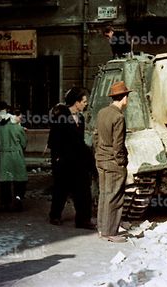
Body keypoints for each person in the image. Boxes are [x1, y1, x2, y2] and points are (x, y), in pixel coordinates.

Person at [47, 87, 95, 229]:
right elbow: (54, 140)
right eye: (84, 101)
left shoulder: (80, 118)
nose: (86, 104)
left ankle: (83, 220)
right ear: (76, 102)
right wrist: (57, 159)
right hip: (64, 161)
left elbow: (80, 141)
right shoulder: (61, 117)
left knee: (83, 191)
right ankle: (54, 216)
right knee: (61, 190)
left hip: (78, 161)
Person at [95, 81, 132, 243]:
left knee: (104, 194)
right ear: (124, 98)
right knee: (115, 197)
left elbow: (96, 137)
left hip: (101, 158)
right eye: (127, 97)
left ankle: (102, 228)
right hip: (113, 162)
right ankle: (111, 232)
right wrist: (121, 162)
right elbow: (118, 145)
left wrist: (99, 153)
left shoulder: (102, 112)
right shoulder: (119, 117)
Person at [0, 109, 28, 212]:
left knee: (5, 181)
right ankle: (18, 197)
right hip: (16, 155)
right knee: (19, 179)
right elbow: (24, 143)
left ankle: (6, 202)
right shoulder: (18, 128)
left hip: (4, 155)